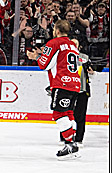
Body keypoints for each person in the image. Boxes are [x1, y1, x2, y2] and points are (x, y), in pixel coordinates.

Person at [27, 20, 83, 159]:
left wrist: (36, 57)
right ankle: (72, 143)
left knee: (58, 114)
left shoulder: (54, 43)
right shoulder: (73, 45)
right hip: (75, 83)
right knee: (69, 113)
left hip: (61, 83)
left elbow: (44, 64)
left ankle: (70, 145)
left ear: (57, 30)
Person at [69, 37, 94, 146]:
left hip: (82, 90)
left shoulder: (84, 58)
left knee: (81, 115)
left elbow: (91, 69)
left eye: (76, 45)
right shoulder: (63, 57)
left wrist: (92, 70)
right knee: (66, 115)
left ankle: (79, 138)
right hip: (68, 90)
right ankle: (66, 137)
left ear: (79, 47)